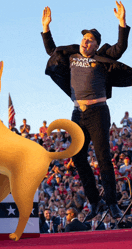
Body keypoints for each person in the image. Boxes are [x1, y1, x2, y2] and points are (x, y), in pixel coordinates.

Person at [41, 1, 132, 220]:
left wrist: (122, 23)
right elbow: (52, 51)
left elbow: (119, 49)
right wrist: (46, 28)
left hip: (98, 111)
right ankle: (95, 201)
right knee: (79, 158)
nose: (85, 41)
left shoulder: (102, 58)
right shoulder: (72, 57)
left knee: (103, 158)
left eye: (90, 40)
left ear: (96, 45)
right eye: (84, 38)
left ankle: (112, 203)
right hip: (77, 113)